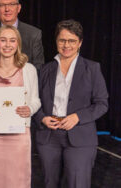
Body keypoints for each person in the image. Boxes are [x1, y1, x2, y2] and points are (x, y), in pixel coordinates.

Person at [33, 19, 108, 188]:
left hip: (80, 136)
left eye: (72, 41)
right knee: (49, 183)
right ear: (56, 41)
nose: (67, 45)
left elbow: (102, 103)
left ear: (80, 43)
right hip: (49, 136)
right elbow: (33, 101)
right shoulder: (45, 70)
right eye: (62, 40)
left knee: (77, 183)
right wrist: (42, 118)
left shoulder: (92, 68)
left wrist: (78, 117)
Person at [0, 25, 41, 188]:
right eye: (3, 40)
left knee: (18, 180)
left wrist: (30, 109)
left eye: (12, 40)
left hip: (20, 135)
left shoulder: (29, 70)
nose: (7, 45)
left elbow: (36, 100)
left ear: (18, 44)